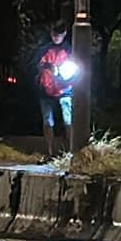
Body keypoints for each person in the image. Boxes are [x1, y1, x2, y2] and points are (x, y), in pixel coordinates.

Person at [34, 22, 74, 157]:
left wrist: (61, 76)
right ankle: (49, 152)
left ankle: (71, 151)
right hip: (46, 89)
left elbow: (75, 71)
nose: (56, 36)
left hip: (65, 89)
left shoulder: (69, 50)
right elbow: (36, 67)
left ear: (64, 34)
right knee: (47, 120)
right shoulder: (44, 50)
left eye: (59, 33)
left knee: (68, 119)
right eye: (54, 33)